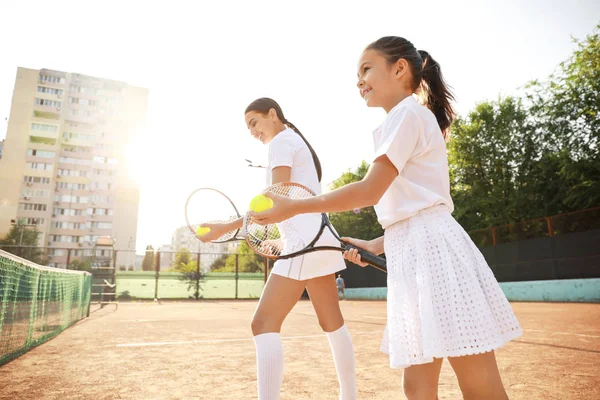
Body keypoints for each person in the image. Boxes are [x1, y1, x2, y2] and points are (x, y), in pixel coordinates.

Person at [249, 37, 522, 400]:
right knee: (417, 388)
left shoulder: (408, 114)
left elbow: (370, 189)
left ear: (399, 69)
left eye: (366, 69)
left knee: (478, 384)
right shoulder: (400, 120)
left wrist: (296, 206)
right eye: (357, 74)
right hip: (414, 248)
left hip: (436, 254)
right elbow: (411, 206)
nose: (359, 80)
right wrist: (378, 242)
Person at [197, 98, 356, 400]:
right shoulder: (292, 140)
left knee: (263, 324)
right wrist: (280, 239)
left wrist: (223, 227)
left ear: (273, 114)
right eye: (248, 128)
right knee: (332, 324)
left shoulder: (282, 140)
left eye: (254, 123)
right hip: (318, 240)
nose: (252, 131)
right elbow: (287, 202)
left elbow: (275, 198)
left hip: (305, 245)